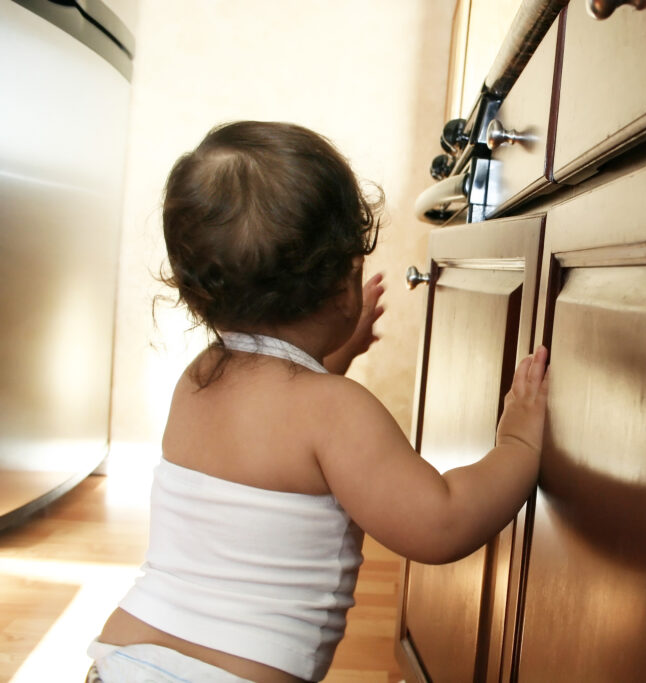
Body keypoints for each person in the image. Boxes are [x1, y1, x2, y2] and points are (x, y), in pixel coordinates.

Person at [88, 121, 549, 683]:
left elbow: (278, 430)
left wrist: (329, 357)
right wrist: (520, 445)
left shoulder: (200, 377)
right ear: (345, 283)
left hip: (123, 656)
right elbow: (442, 522)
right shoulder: (337, 410)